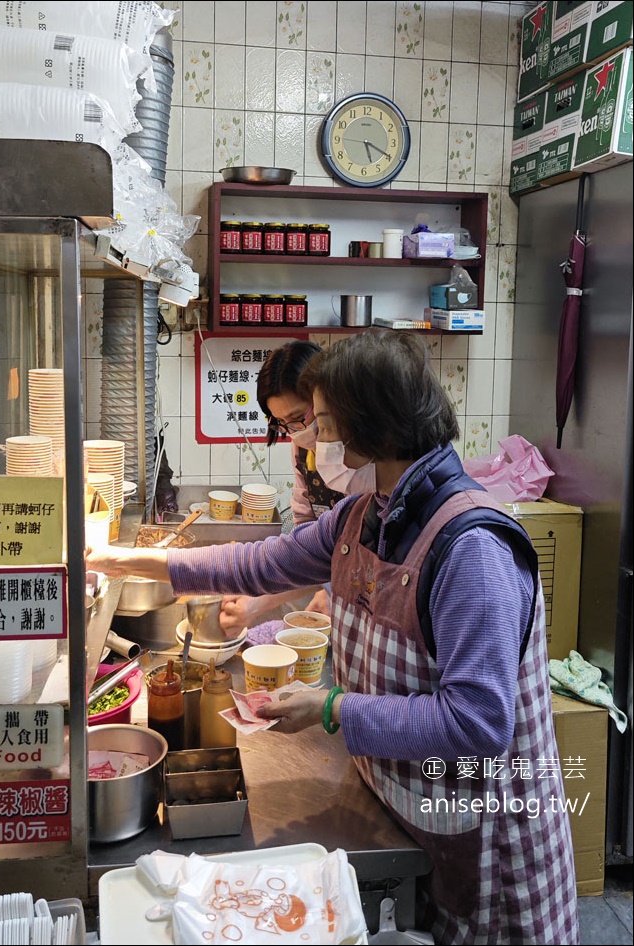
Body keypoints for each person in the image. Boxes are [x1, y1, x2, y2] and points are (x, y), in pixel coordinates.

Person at [87, 330, 580, 944]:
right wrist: (125, 563)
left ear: (370, 424)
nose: (312, 442)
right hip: (404, 810)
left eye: (319, 423)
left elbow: (476, 724)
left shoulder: (471, 548)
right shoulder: (365, 514)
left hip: (484, 841)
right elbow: (261, 563)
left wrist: (331, 708)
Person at [220, 340, 350, 633]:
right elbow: (307, 541)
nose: (295, 432)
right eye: (280, 423)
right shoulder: (302, 448)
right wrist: (325, 589)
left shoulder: (363, 459)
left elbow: (354, 550)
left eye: (296, 418)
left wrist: (258, 603)